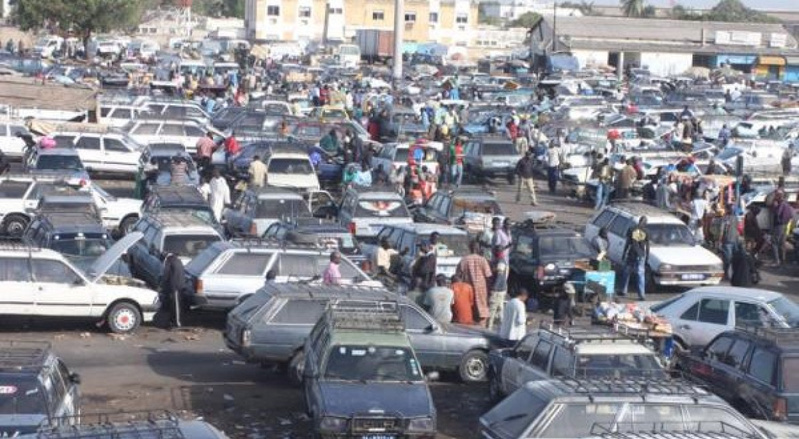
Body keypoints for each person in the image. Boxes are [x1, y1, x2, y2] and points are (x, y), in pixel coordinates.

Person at [456, 241, 493, 327]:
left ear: (470, 248)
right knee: (482, 312)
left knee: (469, 309)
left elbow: (457, 275)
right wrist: (489, 289)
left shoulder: (464, 260)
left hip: (467, 289)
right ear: (478, 249)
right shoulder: (483, 260)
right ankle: (482, 329)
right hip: (481, 289)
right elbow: (488, 276)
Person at [620, 216, 650, 300]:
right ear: (645, 223)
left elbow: (628, 243)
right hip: (641, 255)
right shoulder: (647, 231)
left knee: (626, 272)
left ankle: (623, 290)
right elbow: (647, 246)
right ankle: (642, 295)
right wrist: (647, 256)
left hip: (631, 254)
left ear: (639, 221)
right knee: (640, 274)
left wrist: (624, 253)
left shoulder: (631, 229)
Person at [160, 253, 185, 329]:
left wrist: (162, 285)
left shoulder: (169, 261)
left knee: (175, 306)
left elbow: (166, 274)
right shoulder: (178, 261)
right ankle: (173, 321)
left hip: (174, 286)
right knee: (175, 304)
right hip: (179, 285)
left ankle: (177, 323)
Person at [487, 245, 509, 330]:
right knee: (500, 311)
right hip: (502, 289)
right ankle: (503, 329)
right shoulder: (502, 261)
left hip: (497, 290)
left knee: (492, 311)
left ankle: (488, 329)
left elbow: (499, 277)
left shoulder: (500, 262)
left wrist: (494, 289)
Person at [771, 191, 794, 266]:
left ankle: (776, 261)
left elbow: (777, 213)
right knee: (782, 243)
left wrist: (775, 206)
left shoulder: (781, 204)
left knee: (774, 243)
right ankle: (783, 260)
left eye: (776, 196)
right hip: (785, 225)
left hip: (779, 225)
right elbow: (791, 215)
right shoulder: (787, 204)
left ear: (778, 197)